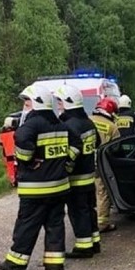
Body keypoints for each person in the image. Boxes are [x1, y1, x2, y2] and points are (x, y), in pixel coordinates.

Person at [0, 84, 81, 270]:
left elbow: (21, 138)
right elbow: (77, 143)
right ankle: (54, 264)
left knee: (27, 225)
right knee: (55, 225)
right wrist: (66, 164)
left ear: (36, 103)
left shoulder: (33, 124)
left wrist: (27, 159)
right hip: (59, 187)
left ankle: (16, 263)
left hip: (36, 189)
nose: (26, 106)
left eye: (28, 102)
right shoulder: (61, 125)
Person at [53, 83, 100, 258]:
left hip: (76, 178)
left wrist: (64, 167)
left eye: (60, 102)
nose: (58, 105)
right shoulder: (88, 122)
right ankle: (94, 243)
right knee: (89, 210)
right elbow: (97, 144)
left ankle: (84, 247)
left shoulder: (69, 125)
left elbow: (73, 151)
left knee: (78, 211)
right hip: (89, 176)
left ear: (68, 103)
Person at [90, 97, 120, 232]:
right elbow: (116, 148)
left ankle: (86, 222)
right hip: (101, 164)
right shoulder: (112, 127)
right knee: (102, 193)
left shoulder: (88, 120)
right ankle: (102, 223)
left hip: (84, 163)